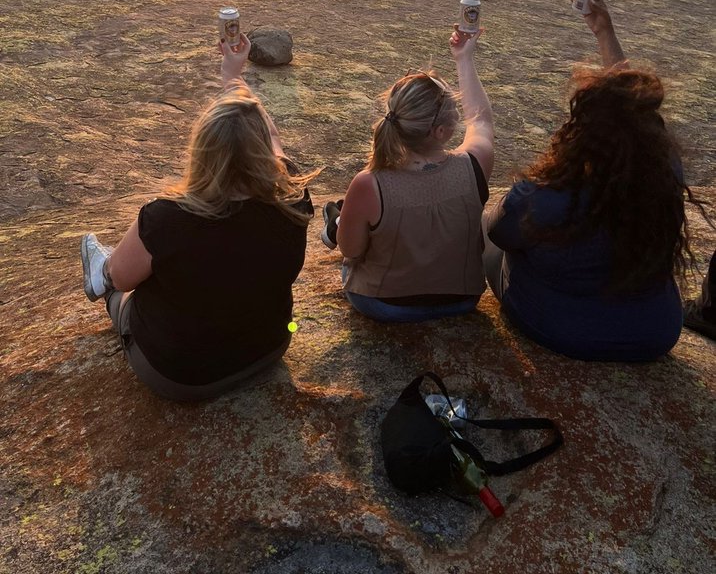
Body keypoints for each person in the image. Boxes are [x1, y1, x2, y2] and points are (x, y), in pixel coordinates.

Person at [80, 36, 313, 401]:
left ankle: (99, 270)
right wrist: (233, 77)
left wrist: (115, 274)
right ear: (265, 152)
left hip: (182, 376)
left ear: (200, 151)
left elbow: (126, 280)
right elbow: (272, 137)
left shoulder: (168, 218)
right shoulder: (292, 195)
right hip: (269, 348)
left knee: (119, 285)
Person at [482, 0, 701, 361]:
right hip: (654, 335)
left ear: (579, 133)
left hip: (562, 331)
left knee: (486, 227)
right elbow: (635, 111)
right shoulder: (663, 171)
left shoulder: (544, 195)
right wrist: (604, 33)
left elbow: (498, 233)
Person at [322, 28, 494, 323]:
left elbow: (351, 251)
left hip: (384, 304)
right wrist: (464, 59)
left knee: (348, 234)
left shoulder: (369, 183)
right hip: (461, 300)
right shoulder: (474, 164)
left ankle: (337, 221)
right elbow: (480, 118)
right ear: (441, 132)